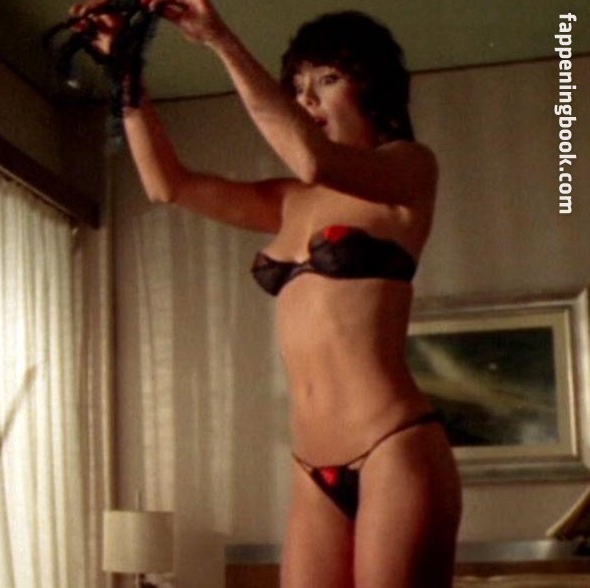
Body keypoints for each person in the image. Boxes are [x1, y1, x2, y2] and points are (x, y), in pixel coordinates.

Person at [69, 2, 462, 586]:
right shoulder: (288, 201)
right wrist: (124, 67)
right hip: (311, 466)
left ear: (372, 85)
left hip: (393, 447)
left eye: (328, 79)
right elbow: (166, 185)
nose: (308, 100)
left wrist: (219, 40)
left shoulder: (408, 169)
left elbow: (312, 159)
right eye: (298, 88)